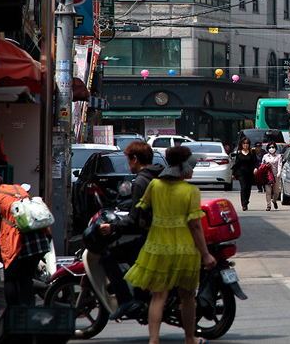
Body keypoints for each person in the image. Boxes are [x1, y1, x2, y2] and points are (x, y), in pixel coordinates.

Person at [124, 146, 217, 344]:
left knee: (158, 296)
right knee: (187, 297)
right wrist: (206, 254)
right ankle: (190, 339)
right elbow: (195, 226)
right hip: (185, 250)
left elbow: (142, 213)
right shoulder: (191, 191)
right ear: (183, 167)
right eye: (191, 166)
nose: (192, 170)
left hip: (157, 247)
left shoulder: (155, 185)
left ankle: (154, 340)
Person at [99, 140, 165, 320]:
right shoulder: (158, 176)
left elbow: (135, 220)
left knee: (109, 257)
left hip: (151, 239)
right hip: (163, 235)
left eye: (128, 160)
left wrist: (112, 227)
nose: (128, 165)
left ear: (135, 159)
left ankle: (126, 300)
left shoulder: (141, 181)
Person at [0, 171, 51, 306]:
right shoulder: (17, 189)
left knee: (11, 279)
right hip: (39, 240)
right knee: (26, 280)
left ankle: (14, 316)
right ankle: (27, 317)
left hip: (17, 244)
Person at [231, 137, 258, 211]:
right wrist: (233, 173)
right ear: (242, 144)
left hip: (249, 173)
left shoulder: (252, 152)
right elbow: (236, 164)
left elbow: (256, 162)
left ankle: (246, 200)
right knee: (243, 187)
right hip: (241, 173)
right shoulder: (239, 153)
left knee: (248, 188)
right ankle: (244, 204)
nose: (245, 145)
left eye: (247, 143)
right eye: (244, 143)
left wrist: (256, 168)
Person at [262, 142, 283, 210]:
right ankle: (268, 205)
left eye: (273, 147)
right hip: (268, 176)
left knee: (276, 192)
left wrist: (279, 173)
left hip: (275, 175)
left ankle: (274, 201)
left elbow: (279, 165)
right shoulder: (265, 156)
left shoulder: (278, 156)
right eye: (270, 147)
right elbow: (262, 165)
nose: (271, 149)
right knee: (268, 191)